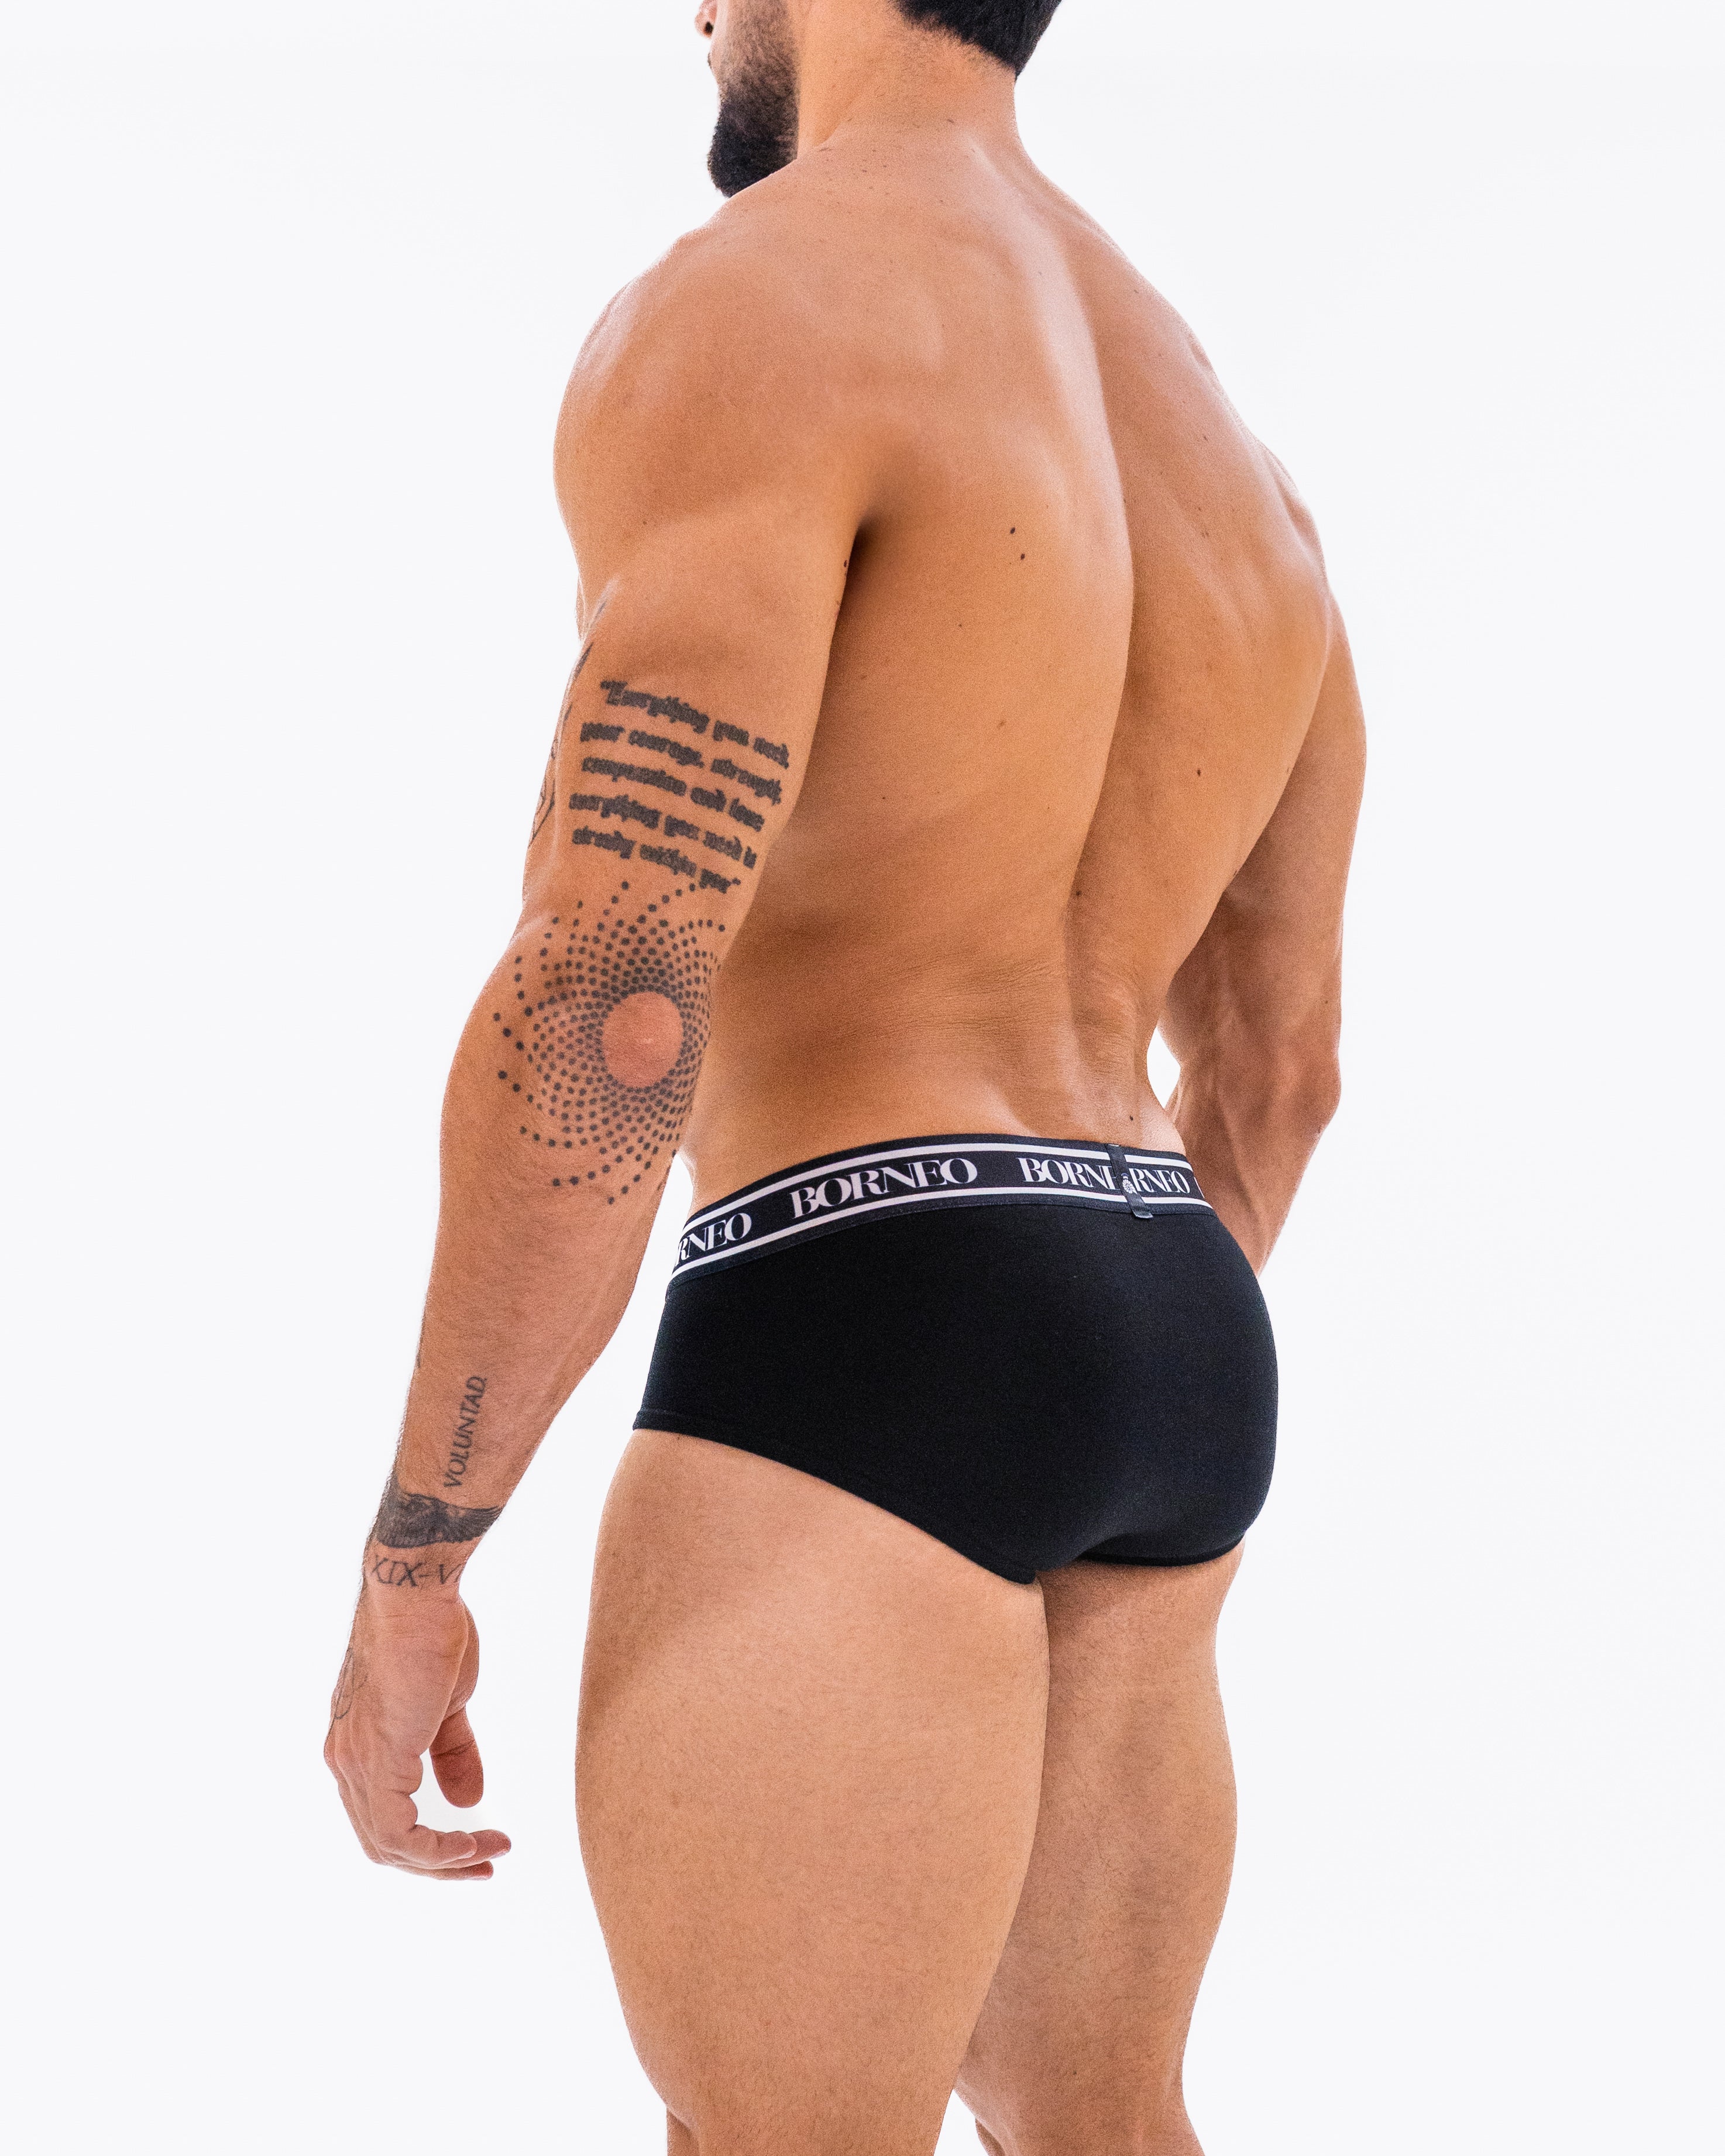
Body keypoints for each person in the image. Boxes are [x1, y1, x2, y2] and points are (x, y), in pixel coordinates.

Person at [324, 2, 1365, 2149]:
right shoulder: (1233, 457)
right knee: (1110, 2123)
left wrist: (419, 1555)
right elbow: (1281, 1066)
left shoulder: (760, 308)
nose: (691, 12)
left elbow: (615, 1001)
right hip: (1173, 1323)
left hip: (870, 1301)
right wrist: (1086, 1345)